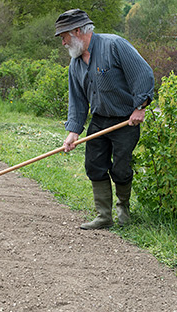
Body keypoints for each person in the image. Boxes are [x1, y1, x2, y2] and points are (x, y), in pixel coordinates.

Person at [55, 9, 155, 230]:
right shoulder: (76, 64)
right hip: (99, 120)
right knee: (94, 164)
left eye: (64, 37)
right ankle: (103, 216)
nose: (63, 43)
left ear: (77, 31)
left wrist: (140, 106)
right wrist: (73, 132)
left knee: (120, 167)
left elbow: (143, 73)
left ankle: (123, 209)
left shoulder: (114, 45)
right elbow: (77, 101)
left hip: (125, 121)